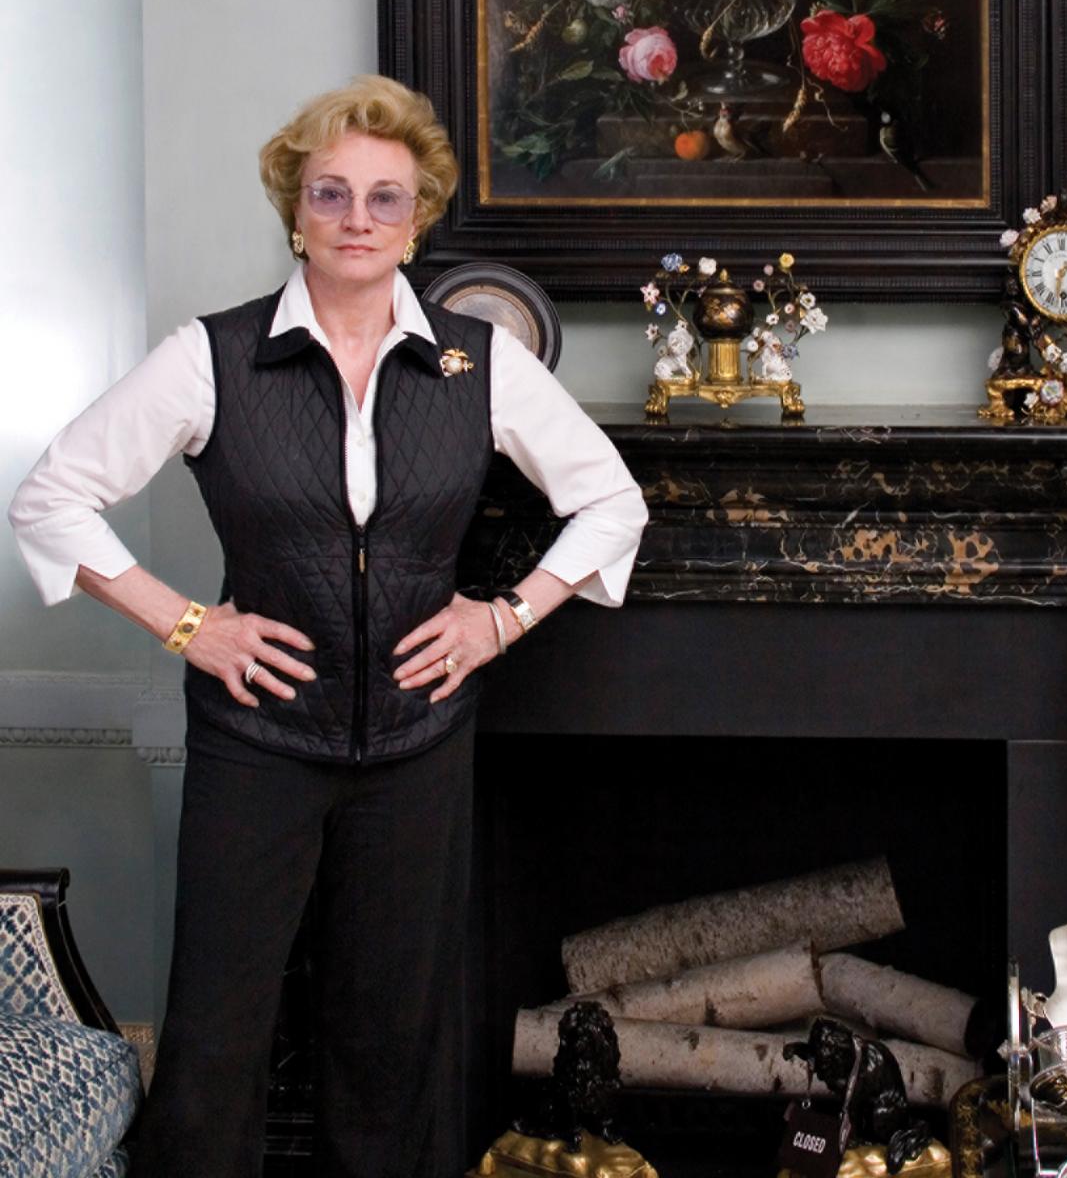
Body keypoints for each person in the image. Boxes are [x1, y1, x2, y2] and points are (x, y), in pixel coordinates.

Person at [8, 76, 648, 1178]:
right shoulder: (214, 355)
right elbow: (51, 494)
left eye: (386, 198)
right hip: (255, 744)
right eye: (332, 193)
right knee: (215, 1042)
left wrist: (501, 618)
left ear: (418, 217)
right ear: (294, 209)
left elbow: (613, 501)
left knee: (389, 1046)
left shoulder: (476, 361)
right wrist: (188, 625)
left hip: (418, 751)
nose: (358, 218)